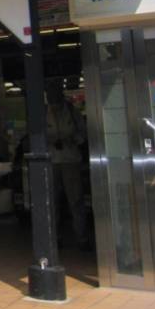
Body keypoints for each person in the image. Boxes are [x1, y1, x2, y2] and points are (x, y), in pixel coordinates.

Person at [46, 85, 91, 250]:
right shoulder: (43, 112)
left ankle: (81, 237)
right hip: (51, 160)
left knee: (76, 200)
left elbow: (83, 134)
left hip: (70, 160)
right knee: (52, 201)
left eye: (55, 95)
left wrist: (71, 140)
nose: (52, 99)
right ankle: (54, 238)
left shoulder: (72, 111)